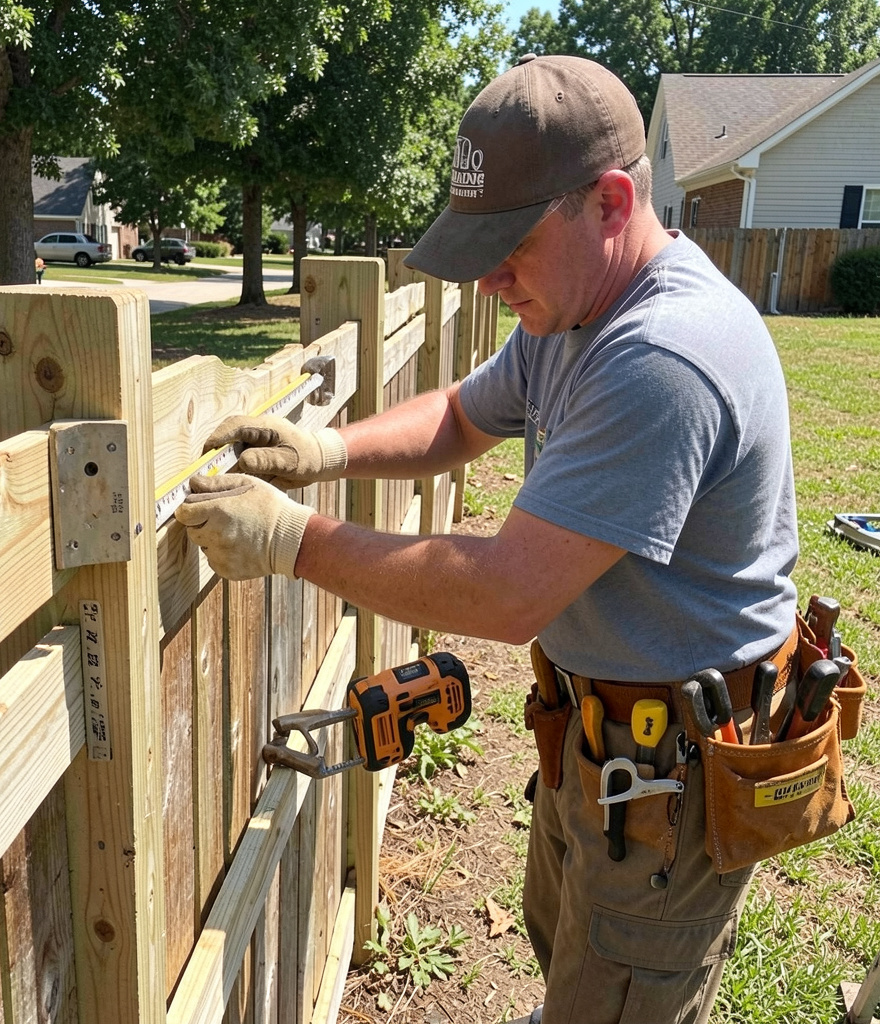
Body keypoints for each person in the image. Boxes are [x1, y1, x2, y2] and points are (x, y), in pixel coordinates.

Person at [175, 54, 799, 1024]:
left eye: (511, 245)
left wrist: (293, 538)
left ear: (610, 201)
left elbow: (506, 593)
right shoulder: (570, 310)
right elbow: (464, 417)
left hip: (670, 771)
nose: (493, 278)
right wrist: (328, 448)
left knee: (618, 990)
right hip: (604, 742)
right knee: (575, 958)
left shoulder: (663, 356)